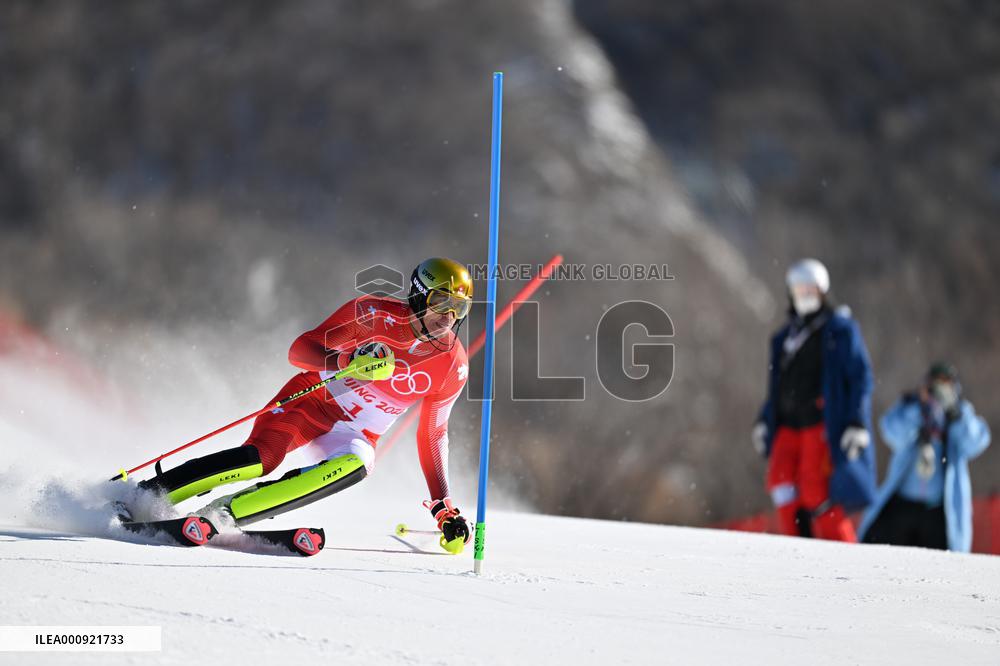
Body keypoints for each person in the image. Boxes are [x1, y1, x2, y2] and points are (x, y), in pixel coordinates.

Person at [132, 257, 475, 550]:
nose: (448, 317)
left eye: (458, 308)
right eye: (440, 302)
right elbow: (300, 350)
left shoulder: (452, 365)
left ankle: (224, 514)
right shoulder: (373, 315)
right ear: (418, 296)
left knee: (359, 464)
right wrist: (344, 362)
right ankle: (149, 494)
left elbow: (433, 434)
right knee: (262, 460)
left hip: (354, 432)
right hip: (311, 402)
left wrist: (443, 507)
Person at [752, 258, 876, 541]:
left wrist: (856, 421)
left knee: (814, 490)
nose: (804, 296)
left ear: (822, 291)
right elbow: (777, 387)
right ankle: (797, 546)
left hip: (820, 422)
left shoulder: (839, 330)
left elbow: (860, 377)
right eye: (798, 290)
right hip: (787, 424)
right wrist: (764, 420)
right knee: (780, 482)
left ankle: (844, 548)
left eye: (810, 290)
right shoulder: (784, 337)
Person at [859, 362, 991, 552]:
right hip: (902, 506)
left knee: (937, 568)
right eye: (934, 384)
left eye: (945, 385)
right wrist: (919, 410)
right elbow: (891, 433)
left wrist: (955, 414)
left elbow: (976, 442)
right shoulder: (911, 406)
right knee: (887, 557)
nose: (938, 391)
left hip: (937, 511)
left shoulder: (959, 414)